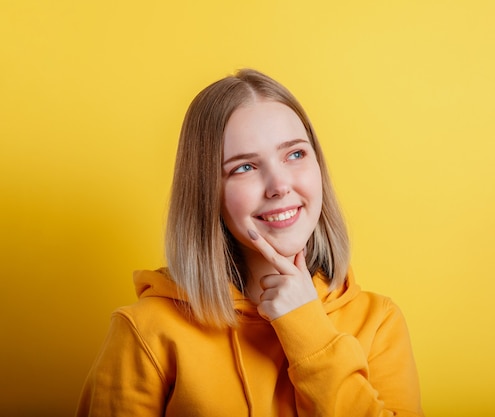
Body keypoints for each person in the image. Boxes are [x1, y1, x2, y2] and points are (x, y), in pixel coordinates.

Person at [76, 69, 424, 416]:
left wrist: (308, 329)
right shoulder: (146, 330)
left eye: (295, 154)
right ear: (206, 192)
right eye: (244, 167)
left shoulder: (379, 322)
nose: (279, 185)